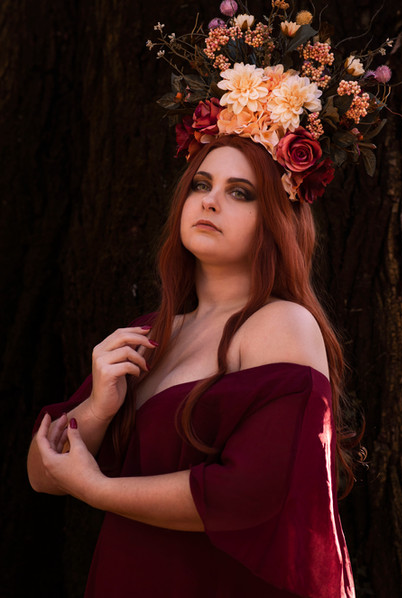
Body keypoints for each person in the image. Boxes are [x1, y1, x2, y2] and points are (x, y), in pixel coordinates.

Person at [28, 135, 356, 598]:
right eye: (201, 184)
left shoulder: (283, 323)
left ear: (276, 220)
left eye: (240, 192)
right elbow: (42, 473)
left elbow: (249, 492)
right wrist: (100, 407)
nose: (210, 201)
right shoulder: (151, 333)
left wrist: (98, 490)